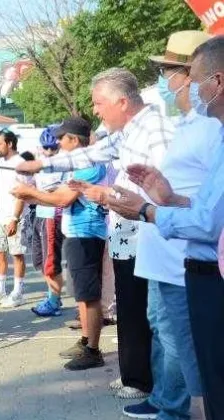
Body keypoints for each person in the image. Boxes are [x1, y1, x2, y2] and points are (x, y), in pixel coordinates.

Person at [16, 68, 174, 404]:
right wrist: (43, 167)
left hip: (148, 234)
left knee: (149, 314)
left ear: (121, 100)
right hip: (126, 232)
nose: (96, 111)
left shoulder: (155, 128)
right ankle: (137, 378)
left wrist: (108, 196)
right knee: (132, 309)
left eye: (99, 103)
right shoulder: (126, 132)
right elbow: (89, 154)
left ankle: (151, 386)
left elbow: (166, 191)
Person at [107, 36, 224, 420]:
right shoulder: (200, 125)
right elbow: (208, 206)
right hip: (190, 259)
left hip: (202, 264)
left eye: (190, 76)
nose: (176, 84)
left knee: (191, 354)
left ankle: (173, 408)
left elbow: (209, 222)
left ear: (216, 82)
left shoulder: (211, 131)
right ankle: (169, 402)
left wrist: (147, 210)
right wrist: (169, 199)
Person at [13, 118, 108, 371]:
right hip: (79, 234)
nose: (57, 142)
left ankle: (93, 350)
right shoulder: (80, 166)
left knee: (90, 296)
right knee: (82, 294)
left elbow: (63, 199)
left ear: (74, 140)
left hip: (86, 235)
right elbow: (59, 197)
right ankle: (86, 341)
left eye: (61, 137)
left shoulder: (90, 166)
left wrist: (29, 194)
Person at [0, 129, 33, 308]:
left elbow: (22, 194)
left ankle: (18, 292)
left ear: (9, 144)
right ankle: (0, 290)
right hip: (0, 218)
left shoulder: (20, 164)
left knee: (17, 254)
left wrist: (15, 219)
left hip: (16, 218)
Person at [30, 125, 66, 317]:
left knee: (51, 263)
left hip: (53, 216)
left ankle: (54, 301)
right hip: (40, 214)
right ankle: (53, 294)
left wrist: (36, 194)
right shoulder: (40, 162)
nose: (50, 152)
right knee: (39, 261)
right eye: (47, 148)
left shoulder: (63, 164)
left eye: (54, 148)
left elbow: (56, 192)